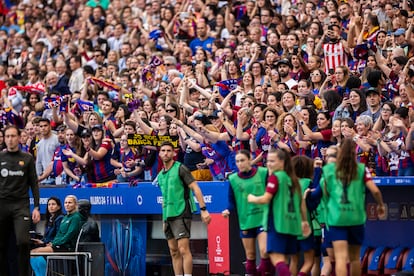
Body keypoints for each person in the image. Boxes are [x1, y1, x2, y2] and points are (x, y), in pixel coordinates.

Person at [320, 138, 385, 276]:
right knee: (355, 258)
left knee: (341, 258)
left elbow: (324, 191)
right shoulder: (361, 169)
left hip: (336, 218)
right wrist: (380, 205)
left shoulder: (329, 169)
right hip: (356, 217)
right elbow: (375, 191)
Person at [248, 148, 311, 276]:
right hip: (292, 224)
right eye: (267, 161)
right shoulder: (292, 179)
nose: (269, 164)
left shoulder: (276, 177)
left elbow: (266, 198)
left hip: (278, 223)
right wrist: (304, 221)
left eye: (272, 161)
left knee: (277, 258)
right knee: (285, 260)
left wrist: (252, 198)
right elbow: (301, 204)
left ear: (282, 162)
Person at [156, 141, 211, 276]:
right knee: (173, 251)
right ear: (159, 153)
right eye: (163, 150)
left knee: (183, 249)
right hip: (168, 215)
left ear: (174, 153)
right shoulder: (161, 175)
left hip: (181, 213)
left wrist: (203, 209)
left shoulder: (181, 168)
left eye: (169, 150)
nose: (166, 153)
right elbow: (165, 199)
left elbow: (196, 188)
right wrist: (164, 220)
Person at [222, 150, 273, 276]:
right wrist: (228, 209)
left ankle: (263, 271)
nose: (240, 163)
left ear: (250, 159)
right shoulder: (233, 179)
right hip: (246, 221)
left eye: (242, 160)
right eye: (237, 161)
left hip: (263, 218)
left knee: (265, 251)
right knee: (250, 255)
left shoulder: (263, 173)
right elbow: (231, 201)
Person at [0, 125, 41, 276]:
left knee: (23, 242)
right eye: (7, 136)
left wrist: (36, 207)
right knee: (2, 245)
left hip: (20, 205)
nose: (10, 139)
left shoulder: (27, 158)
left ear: (18, 137)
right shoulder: (0, 158)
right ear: (4, 139)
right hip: (2, 204)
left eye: (13, 136)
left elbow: (34, 183)